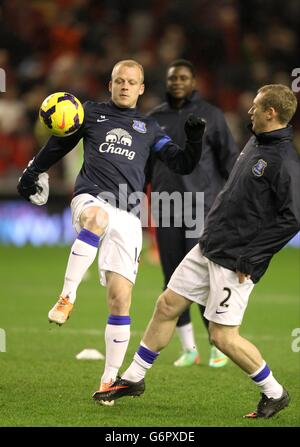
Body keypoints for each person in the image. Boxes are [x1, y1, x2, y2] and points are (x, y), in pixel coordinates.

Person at [93, 84, 300, 418]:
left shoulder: (284, 161)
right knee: (167, 304)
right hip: (210, 245)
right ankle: (133, 378)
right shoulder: (255, 141)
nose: (250, 110)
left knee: (222, 337)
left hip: (236, 259)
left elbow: (293, 219)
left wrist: (254, 256)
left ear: (270, 113)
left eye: (256, 106)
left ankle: (274, 392)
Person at [17, 59, 206, 407]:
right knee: (96, 218)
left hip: (130, 216)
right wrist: (34, 170)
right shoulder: (88, 113)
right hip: (91, 199)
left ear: (141, 88)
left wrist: (193, 140)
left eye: (131, 82)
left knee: (121, 299)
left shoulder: (149, 129)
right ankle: (67, 295)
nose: (124, 86)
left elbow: (182, 163)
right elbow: (59, 145)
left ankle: (109, 380)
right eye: (119, 80)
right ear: (110, 84)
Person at [147, 59, 239, 367]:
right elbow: (144, 167)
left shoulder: (211, 115)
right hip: (166, 208)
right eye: (173, 78)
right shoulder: (152, 118)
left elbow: (230, 162)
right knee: (172, 280)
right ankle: (189, 349)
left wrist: (233, 203)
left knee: (203, 278)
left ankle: (217, 345)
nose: (177, 82)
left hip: (202, 209)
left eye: (183, 78)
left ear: (194, 82)